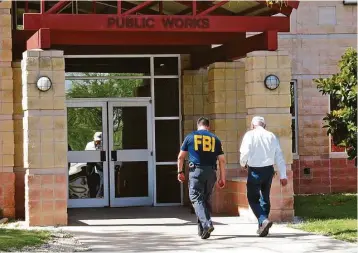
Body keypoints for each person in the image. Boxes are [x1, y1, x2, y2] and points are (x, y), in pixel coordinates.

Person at [177, 117, 226, 240]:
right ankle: (203, 230)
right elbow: (222, 160)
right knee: (205, 199)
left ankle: (207, 223)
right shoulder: (215, 139)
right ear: (208, 127)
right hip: (211, 172)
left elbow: (181, 157)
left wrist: (180, 171)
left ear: (198, 125)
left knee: (196, 198)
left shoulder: (190, 136)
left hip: (196, 171)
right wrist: (222, 178)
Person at [239, 116, 288, 237]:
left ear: (252, 125)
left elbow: (244, 152)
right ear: (264, 125)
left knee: (252, 198)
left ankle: (263, 220)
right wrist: (283, 175)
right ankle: (263, 227)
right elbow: (279, 156)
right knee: (265, 198)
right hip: (268, 170)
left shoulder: (249, 135)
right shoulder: (271, 136)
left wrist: (243, 163)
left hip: (255, 170)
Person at [85, 132, 104, 198]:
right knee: (90, 179)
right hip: (91, 162)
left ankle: (99, 195)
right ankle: (92, 195)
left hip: (100, 163)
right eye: (96, 141)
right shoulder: (89, 145)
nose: (97, 142)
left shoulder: (104, 145)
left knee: (102, 179)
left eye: (99, 141)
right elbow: (86, 155)